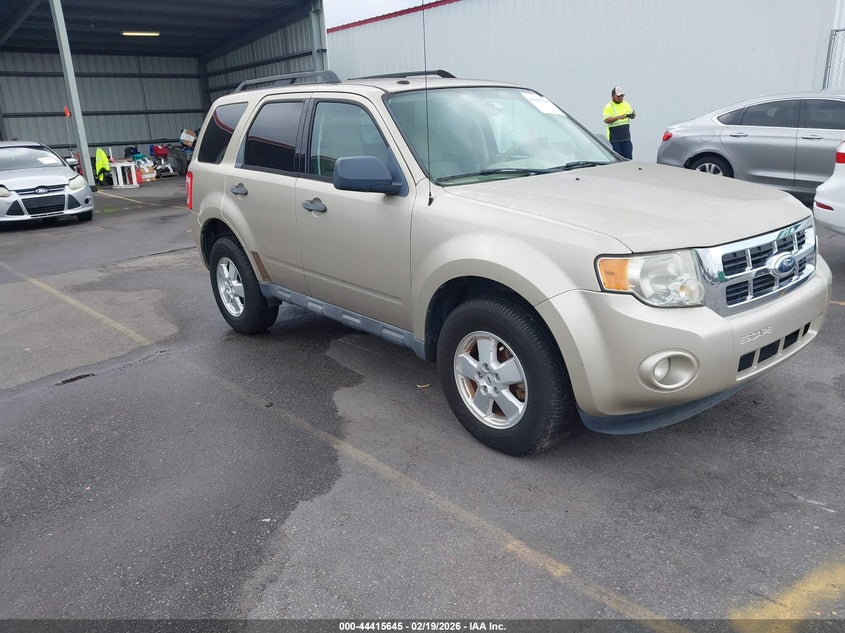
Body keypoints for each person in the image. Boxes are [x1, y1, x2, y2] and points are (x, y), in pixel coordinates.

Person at [603, 86, 636, 159]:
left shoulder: (626, 104)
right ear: (613, 96)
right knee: (617, 159)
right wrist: (618, 117)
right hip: (614, 140)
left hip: (626, 138)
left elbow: (631, 115)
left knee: (628, 159)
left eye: (622, 95)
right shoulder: (609, 106)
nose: (621, 97)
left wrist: (633, 115)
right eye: (618, 96)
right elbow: (606, 120)